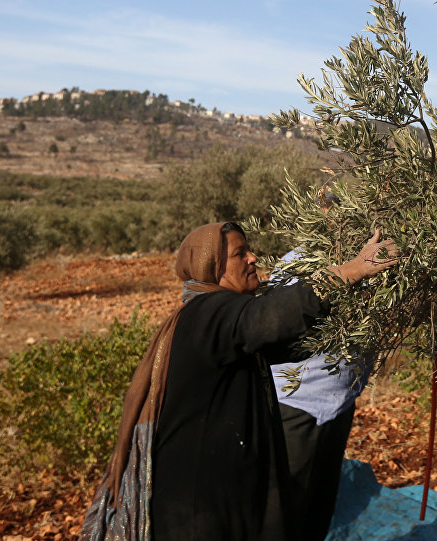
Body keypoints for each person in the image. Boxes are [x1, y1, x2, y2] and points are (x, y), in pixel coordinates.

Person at [80, 221, 399, 541]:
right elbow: (273, 316)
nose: (253, 258)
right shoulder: (208, 312)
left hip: (217, 489)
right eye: (239, 253)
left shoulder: (221, 319)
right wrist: (353, 269)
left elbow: (287, 340)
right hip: (197, 505)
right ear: (212, 266)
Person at [268, 191, 373, 541]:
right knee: (284, 505)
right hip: (297, 406)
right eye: (329, 220)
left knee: (320, 500)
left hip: (337, 405)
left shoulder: (363, 266)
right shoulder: (295, 267)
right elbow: (278, 329)